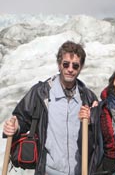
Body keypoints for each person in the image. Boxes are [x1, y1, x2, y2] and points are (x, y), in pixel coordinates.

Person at [3, 41, 98, 175]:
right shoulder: (41, 93)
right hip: (48, 171)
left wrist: (93, 118)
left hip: (80, 171)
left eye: (75, 66)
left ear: (80, 67)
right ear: (59, 65)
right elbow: (21, 118)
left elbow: (100, 133)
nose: (70, 69)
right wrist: (14, 126)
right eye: (66, 64)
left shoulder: (88, 97)